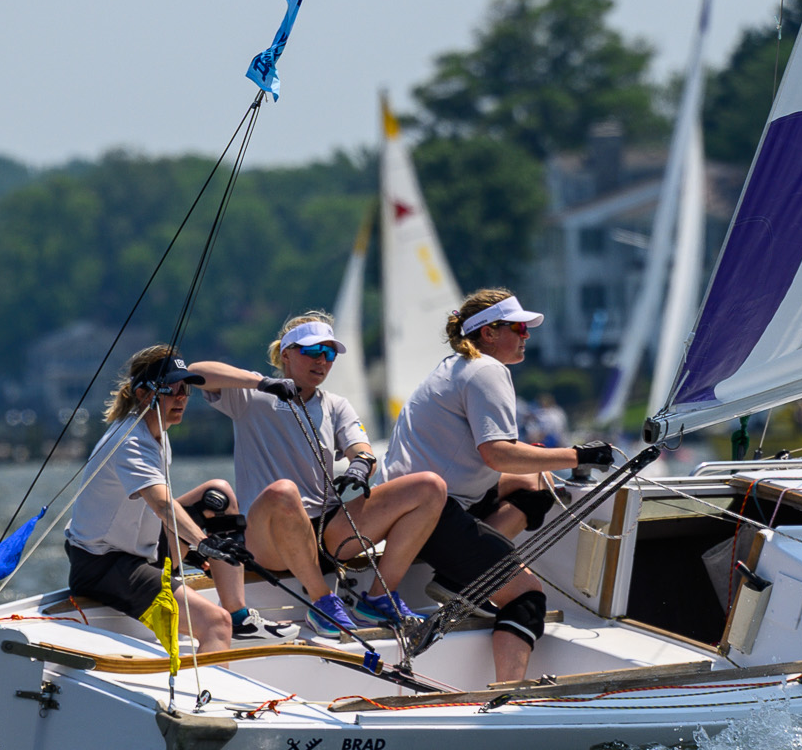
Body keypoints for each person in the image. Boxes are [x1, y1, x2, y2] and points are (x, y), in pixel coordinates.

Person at [383, 290, 615, 684]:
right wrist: (578, 456)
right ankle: (511, 692)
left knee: (534, 479)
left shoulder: (454, 365)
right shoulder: (486, 370)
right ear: (489, 332)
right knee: (526, 594)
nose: (527, 337)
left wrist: (554, 458)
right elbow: (499, 455)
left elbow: (505, 461)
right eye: (520, 328)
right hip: (435, 514)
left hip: (420, 507)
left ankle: (460, 580)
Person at [190, 314, 449, 637]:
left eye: (329, 354)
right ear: (286, 354)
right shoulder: (250, 396)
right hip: (268, 538)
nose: (322, 362)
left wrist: (359, 466)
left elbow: (363, 450)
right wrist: (261, 383)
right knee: (284, 492)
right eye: (313, 352)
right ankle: (322, 601)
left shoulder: (336, 405)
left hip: (327, 530)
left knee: (430, 486)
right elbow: (194, 372)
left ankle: (380, 597)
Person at [63, 347, 242, 655]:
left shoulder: (157, 431)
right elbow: (162, 505)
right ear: (145, 394)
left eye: (186, 389)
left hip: (138, 548)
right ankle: (211, 695)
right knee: (215, 623)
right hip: (104, 565)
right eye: (172, 389)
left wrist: (194, 546)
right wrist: (202, 543)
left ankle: (240, 615)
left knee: (218, 495)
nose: (182, 397)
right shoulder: (131, 442)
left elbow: (163, 508)